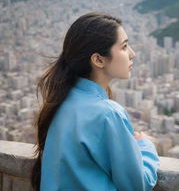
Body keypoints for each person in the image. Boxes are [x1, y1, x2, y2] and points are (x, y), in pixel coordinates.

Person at [31, 12, 160, 191]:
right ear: (98, 59)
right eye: (124, 47)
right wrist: (145, 145)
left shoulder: (60, 101)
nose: (132, 54)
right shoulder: (108, 113)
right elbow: (137, 185)